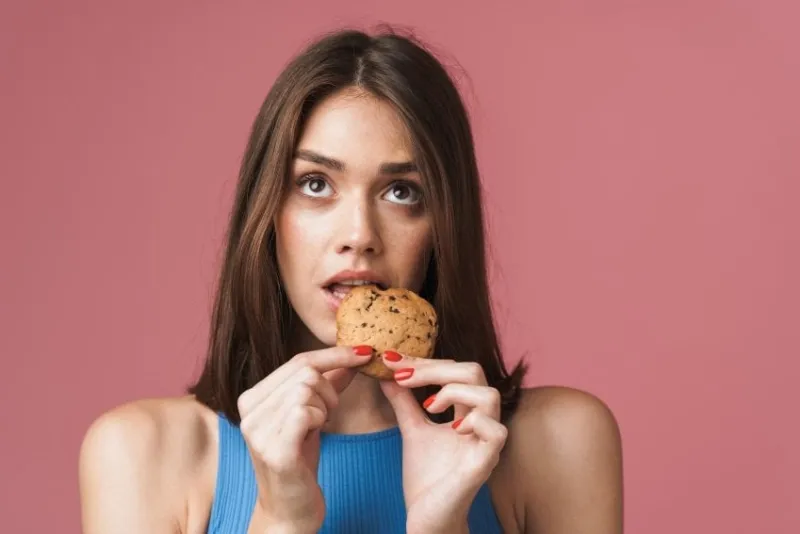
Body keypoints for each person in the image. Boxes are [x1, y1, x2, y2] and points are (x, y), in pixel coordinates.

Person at [79, 27, 623, 534]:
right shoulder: (140, 454)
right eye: (315, 184)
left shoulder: (559, 444)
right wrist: (280, 518)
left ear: (443, 225)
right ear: (266, 213)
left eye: (402, 192)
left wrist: (442, 525)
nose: (359, 234)